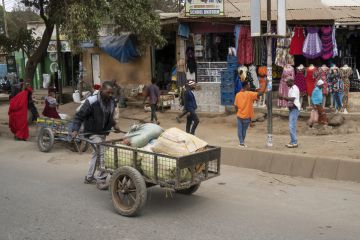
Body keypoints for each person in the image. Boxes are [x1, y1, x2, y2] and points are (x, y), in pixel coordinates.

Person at [71, 81, 121, 188]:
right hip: (92, 132)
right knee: (103, 151)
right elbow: (79, 116)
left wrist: (114, 125)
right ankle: (101, 180)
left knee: (96, 153)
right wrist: (75, 129)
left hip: (102, 132)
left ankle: (89, 177)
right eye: (108, 93)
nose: (111, 95)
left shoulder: (111, 101)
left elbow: (109, 116)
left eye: (112, 93)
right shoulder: (91, 101)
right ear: (102, 90)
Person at [234, 80, 266, 148]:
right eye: (248, 85)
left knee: (240, 130)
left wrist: (238, 112)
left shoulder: (238, 94)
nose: (249, 86)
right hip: (247, 116)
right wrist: (265, 83)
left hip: (239, 115)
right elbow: (260, 93)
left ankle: (241, 142)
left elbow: (236, 106)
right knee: (244, 130)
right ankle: (242, 143)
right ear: (246, 86)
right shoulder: (249, 94)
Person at [279, 78, 301, 148]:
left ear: (291, 81)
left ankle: (294, 142)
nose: (286, 84)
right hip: (292, 108)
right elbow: (289, 98)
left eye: (287, 82)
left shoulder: (294, 88)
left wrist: (283, 97)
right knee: (292, 125)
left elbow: (292, 99)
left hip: (295, 108)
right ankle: (293, 141)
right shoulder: (291, 88)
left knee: (292, 126)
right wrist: (283, 98)